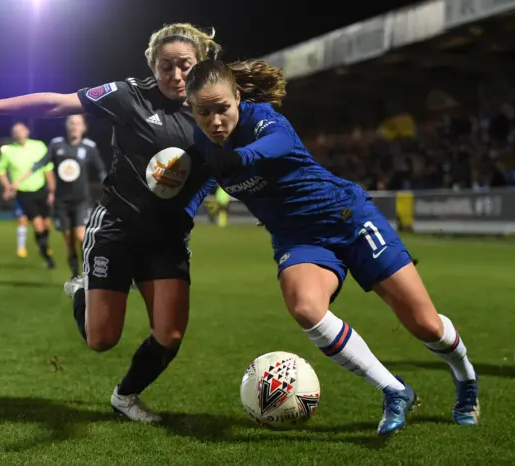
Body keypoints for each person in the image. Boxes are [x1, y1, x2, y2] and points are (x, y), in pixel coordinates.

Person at [185, 59, 479, 436]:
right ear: (191, 110)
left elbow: (280, 145)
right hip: (298, 238)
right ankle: (394, 389)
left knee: (425, 324)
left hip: (347, 218)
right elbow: (198, 188)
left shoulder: (263, 120)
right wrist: (179, 217)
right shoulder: (201, 144)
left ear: (238, 97)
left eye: (222, 108)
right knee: (306, 308)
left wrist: (239, 157)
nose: (214, 121)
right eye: (202, 112)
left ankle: (465, 377)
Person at [0, 23, 221, 422]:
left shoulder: (210, 111)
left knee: (170, 335)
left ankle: (125, 396)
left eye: (184, 65)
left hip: (167, 238)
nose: (175, 75)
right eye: (166, 66)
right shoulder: (128, 96)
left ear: (199, 65)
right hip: (117, 230)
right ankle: (80, 291)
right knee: (101, 340)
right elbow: (56, 103)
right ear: (152, 66)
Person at [12, 115, 107, 277]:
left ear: (83, 127)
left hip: (81, 200)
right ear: (67, 126)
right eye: (71, 123)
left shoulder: (89, 147)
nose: (74, 126)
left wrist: (110, 188)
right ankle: (75, 275)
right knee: (68, 241)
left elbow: (101, 170)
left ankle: (87, 273)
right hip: (61, 201)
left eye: (77, 123)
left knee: (81, 236)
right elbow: (39, 164)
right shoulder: (56, 145)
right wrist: (17, 182)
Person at [0, 122, 56, 269]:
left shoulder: (39, 146)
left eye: (21, 130)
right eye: (15, 131)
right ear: (12, 134)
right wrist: (8, 186)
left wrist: (52, 191)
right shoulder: (8, 151)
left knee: (47, 224)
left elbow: (48, 169)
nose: (19, 133)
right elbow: (0, 170)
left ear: (27, 131)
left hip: (41, 190)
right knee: (38, 225)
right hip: (23, 193)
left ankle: (42, 246)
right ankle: (47, 257)